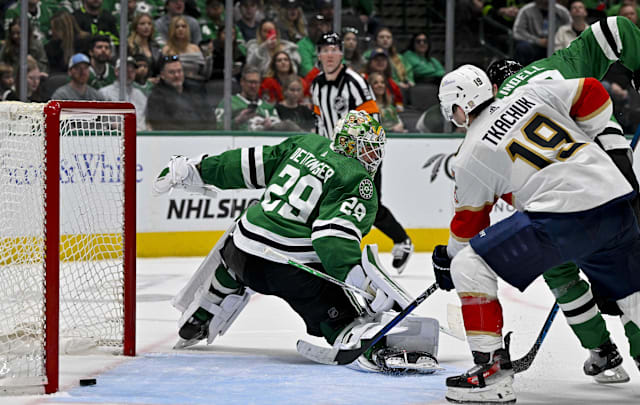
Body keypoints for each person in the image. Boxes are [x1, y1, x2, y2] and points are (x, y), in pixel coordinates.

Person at [432, 62, 640, 405]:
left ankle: (490, 374)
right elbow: (593, 92)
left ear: (458, 107)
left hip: (562, 217)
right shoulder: (530, 93)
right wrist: (587, 137)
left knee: (469, 266)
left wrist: (447, 261)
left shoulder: (470, 155)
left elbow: (468, 228)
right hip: (615, 197)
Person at [154, 110, 440, 374]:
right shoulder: (356, 179)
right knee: (344, 316)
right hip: (288, 271)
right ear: (350, 144)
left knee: (237, 252)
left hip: (239, 252)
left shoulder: (305, 143)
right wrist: (362, 283)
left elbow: (244, 164)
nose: (372, 155)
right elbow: (332, 239)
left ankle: (205, 309)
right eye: (367, 146)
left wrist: (196, 168)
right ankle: (359, 339)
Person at [478, 15, 640, 387]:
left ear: (492, 87)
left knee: (559, 269)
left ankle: (601, 349)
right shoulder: (555, 64)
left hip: (558, 191)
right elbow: (615, 28)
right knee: (626, 259)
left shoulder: (495, 112)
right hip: (612, 168)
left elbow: (492, 182)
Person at [311, 32, 414, 273]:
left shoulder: (354, 81)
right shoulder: (316, 84)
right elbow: (319, 120)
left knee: (369, 205)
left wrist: (362, 155)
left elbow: (373, 117)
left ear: (341, 53)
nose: (329, 55)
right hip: (332, 157)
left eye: (333, 49)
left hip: (362, 155)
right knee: (328, 201)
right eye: (324, 50)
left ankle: (402, 240)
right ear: (318, 54)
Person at [146, 55, 215, 130]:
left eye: (179, 71)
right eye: (172, 72)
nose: (177, 75)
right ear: (162, 75)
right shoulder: (156, 97)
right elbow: (162, 126)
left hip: (203, 138)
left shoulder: (195, 90)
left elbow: (210, 117)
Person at [215, 65, 280, 131]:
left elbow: (279, 132)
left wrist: (270, 128)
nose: (253, 86)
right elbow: (218, 128)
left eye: (256, 82)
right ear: (242, 82)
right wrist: (238, 121)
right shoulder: (228, 102)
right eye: (250, 82)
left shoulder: (268, 108)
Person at [512, 0, 571, 65]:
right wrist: (538, 41)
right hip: (534, 46)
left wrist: (557, 40)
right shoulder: (526, 10)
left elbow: (570, 29)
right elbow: (517, 32)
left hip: (557, 45)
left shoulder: (562, 11)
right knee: (522, 48)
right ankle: (521, 73)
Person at [99, 57, 148, 131]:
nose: (129, 73)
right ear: (116, 71)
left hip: (140, 137)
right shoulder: (104, 93)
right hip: (114, 138)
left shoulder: (140, 95)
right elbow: (98, 123)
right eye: (126, 70)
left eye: (132, 70)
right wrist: (112, 126)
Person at [162, 15, 212, 84]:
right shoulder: (167, 49)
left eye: (183, 26)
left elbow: (205, 73)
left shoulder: (195, 48)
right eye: (177, 27)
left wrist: (208, 57)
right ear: (172, 30)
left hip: (197, 84)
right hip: (175, 85)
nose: (180, 29)